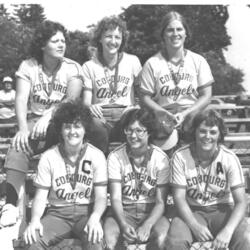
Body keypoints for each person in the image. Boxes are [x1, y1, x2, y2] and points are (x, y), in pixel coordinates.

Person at [0, 20, 83, 232]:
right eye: (55, 40)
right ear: (42, 44)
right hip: (35, 123)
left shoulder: (72, 67)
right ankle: (10, 204)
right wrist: (22, 129)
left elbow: (71, 99)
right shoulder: (28, 66)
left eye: (63, 40)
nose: (61, 44)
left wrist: (49, 115)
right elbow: (20, 99)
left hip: (63, 123)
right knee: (18, 146)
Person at [22, 100, 107, 249]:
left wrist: (95, 217)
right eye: (67, 127)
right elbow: (40, 197)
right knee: (32, 241)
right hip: (57, 214)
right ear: (60, 130)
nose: (72, 131)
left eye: (77, 126)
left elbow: (101, 196)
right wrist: (35, 220)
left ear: (85, 129)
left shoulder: (96, 155)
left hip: (86, 212)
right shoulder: (49, 157)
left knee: (96, 241)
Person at [166, 109, 250, 250]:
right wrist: (194, 225)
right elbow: (179, 198)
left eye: (213, 132)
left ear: (219, 135)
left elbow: (241, 202)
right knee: (175, 242)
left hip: (222, 209)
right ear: (194, 132)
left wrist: (228, 231)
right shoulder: (180, 156)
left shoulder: (229, 158)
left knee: (245, 239)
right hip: (192, 210)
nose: (207, 136)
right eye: (202, 131)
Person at [139, 11, 213, 152]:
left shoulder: (198, 61)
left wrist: (187, 113)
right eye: (170, 30)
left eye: (179, 29)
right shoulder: (153, 63)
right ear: (163, 34)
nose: (175, 34)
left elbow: (207, 95)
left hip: (192, 112)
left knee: (195, 136)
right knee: (164, 152)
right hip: (163, 114)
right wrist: (161, 112)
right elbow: (144, 98)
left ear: (186, 33)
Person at [104, 108, 170, 250]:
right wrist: (123, 224)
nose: (133, 135)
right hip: (124, 211)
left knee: (161, 237)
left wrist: (148, 225)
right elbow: (115, 198)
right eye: (129, 130)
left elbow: (160, 202)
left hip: (151, 211)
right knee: (109, 238)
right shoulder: (115, 157)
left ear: (149, 132)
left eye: (139, 131)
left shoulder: (160, 158)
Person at [82, 15, 142, 154]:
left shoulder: (133, 61)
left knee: (137, 123)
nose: (113, 41)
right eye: (109, 36)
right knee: (95, 127)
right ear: (100, 39)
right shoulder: (89, 66)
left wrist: (136, 108)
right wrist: (91, 107)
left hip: (125, 115)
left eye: (117, 37)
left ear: (122, 40)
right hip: (101, 116)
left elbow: (142, 95)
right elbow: (86, 102)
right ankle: (101, 168)